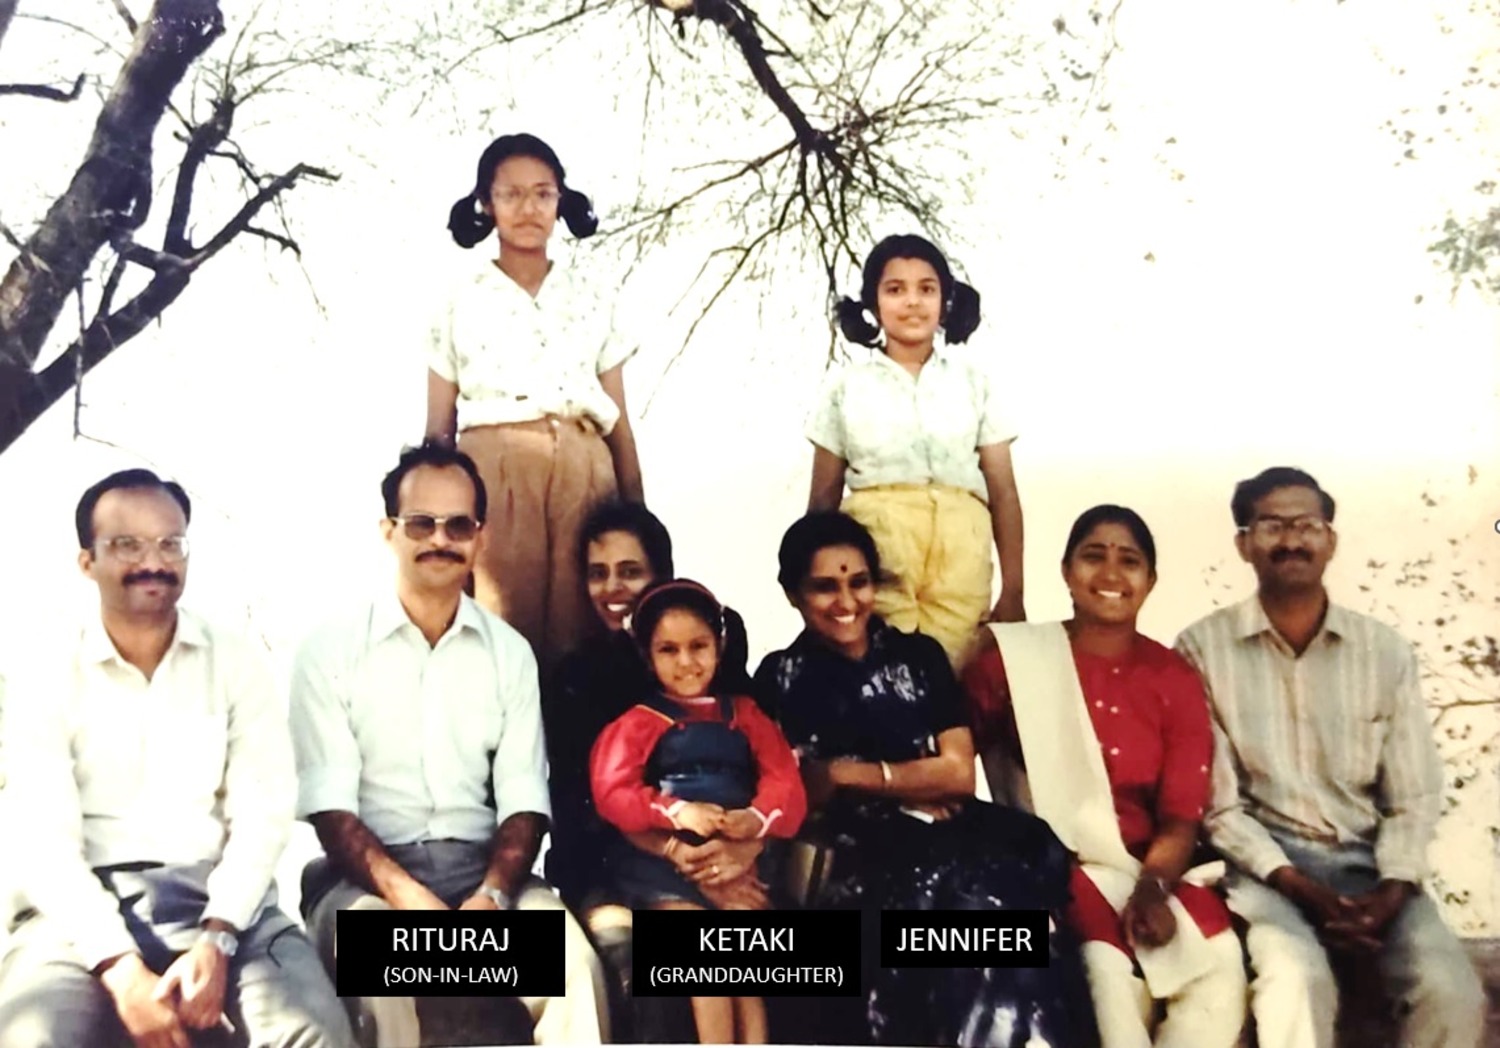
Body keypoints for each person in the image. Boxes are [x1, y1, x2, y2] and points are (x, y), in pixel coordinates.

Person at [0, 469, 352, 1048]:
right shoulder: (47, 671)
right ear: (87, 561)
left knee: (313, 1032)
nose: (153, 562)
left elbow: (262, 817)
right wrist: (119, 967)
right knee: (35, 1039)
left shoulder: (235, 662)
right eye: (127, 545)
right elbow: (46, 844)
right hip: (79, 910)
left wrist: (217, 938)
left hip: (219, 901)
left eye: (170, 544)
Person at [288, 441, 609, 1047]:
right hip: (367, 882)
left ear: (480, 538)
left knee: (575, 969)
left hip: (484, 878)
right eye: (421, 523)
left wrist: (490, 895)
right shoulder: (329, 652)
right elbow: (332, 812)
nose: (441, 538)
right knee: (380, 974)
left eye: (459, 524)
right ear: (389, 532)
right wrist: (410, 900)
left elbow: (523, 801)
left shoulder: (509, 654)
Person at [754, 511, 1096, 1048]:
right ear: (793, 593)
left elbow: (958, 773)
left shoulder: (920, 657)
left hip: (952, 840)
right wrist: (911, 778)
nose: (846, 602)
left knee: (1005, 922)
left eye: (858, 582)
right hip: (853, 863)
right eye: (824, 587)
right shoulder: (778, 677)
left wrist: (847, 772)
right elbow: (800, 789)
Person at [1175, 467, 1486, 1048]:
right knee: (1296, 979)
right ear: (1244, 543)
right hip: (1265, 874)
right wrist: (1302, 889)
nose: (1291, 540)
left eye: (1307, 524)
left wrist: (1390, 891)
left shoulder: (1384, 652)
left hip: (1372, 868)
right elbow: (1218, 807)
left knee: (1450, 991)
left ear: (1331, 540)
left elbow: (1414, 797)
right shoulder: (1201, 650)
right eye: (1271, 525)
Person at [964, 505, 1247, 1048]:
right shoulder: (1013, 660)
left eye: (1130, 561)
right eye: (1094, 557)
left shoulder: (1173, 678)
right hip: (1051, 863)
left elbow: (1181, 813)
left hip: (1150, 868)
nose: (1112, 575)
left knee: (1221, 963)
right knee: (1105, 968)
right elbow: (956, 755)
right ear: (1067, 571)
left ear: (1150, 582)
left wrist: (1153, 887)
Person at [428, 131, 645, 673]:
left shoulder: (592, 293)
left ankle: (584, 755)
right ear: (485, 203)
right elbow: (438, 425)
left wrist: (636, 513)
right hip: (495, 473)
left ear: (561, 202)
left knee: (589, 636)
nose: (529, 208)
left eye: (543, 194)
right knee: (502, 633)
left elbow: (617, 417)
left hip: (585, 471)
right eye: (511, 194)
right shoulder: (459, 296)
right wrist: (439, 517)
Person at [591, 579, 807, 1044]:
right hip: (663, 870)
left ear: (720, 645)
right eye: (669, 650)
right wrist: (676, 813)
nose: (686, 662)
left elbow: (785, 783)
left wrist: (755, 820)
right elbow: (613, 792)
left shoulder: (746, 715)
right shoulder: (636, 723)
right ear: (647, 656)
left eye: (698, 646)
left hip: (737, 861)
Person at [806, 234, 1025, 666]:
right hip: (878, 549)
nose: (912, 302)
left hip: (961, 552)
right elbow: (822, 501)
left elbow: (1004, 494)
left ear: (945, 301)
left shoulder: (973, 382)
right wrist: (813, 588)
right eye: (895, 289)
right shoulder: (846, 386)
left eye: (926, 289)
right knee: (880, 675)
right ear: (873, 302)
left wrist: (1014, 590)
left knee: (957, 673)